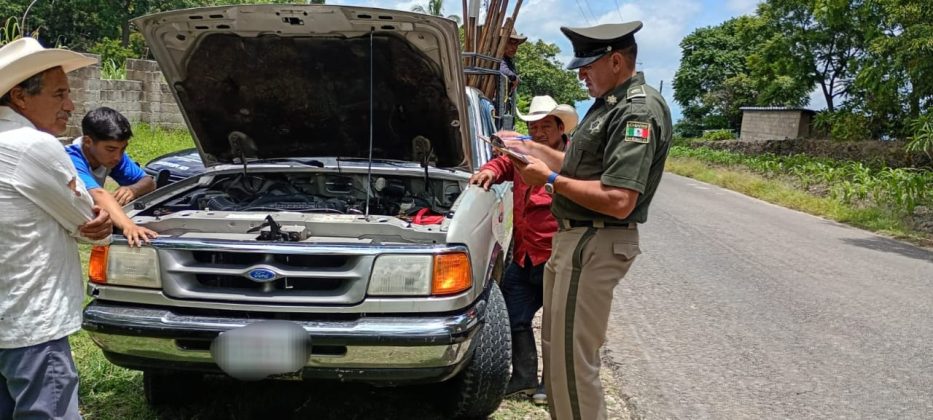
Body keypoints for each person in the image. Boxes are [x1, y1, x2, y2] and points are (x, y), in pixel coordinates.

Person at [500, 21, 672, 419]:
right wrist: (527, 149)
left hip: (594, 240)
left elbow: (619, 200)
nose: (581, 76)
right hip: (575, 240)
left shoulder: (636, 110)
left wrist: (549, 180)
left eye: (587, 66)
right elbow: (576, 166)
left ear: (616, 61)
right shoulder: (609, 104)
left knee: (574, 365)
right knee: (559, 358)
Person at [0, 37, 113, 419]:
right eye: (59, 94)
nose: (71, 105)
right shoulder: (34, 146)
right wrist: (95, 224)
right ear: (20, 96)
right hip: (32, 322)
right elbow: (88, 223)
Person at [469, 95, 578, 406]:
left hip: (557, 255)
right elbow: (503, 162)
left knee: (556, 325)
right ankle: (524, 376)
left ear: (561, 128)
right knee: (513, 315)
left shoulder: (574, 160)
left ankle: (550, 385)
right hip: (524, 253)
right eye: (533, 127)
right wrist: (490, 171)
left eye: (545, 126)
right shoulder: (522, 152)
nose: (538, 132)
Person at [65, 107, 157, 246]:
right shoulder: (70, 158)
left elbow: (149, 182)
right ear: (88, 142)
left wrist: (133, 189)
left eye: (123, 149)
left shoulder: (113, 156)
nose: (117, 157)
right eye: (111, 149)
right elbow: (97, 194)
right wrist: (129, 226)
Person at [498, 28, 526, 129]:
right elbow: (503, 70)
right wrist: (514, 78)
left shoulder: (509, 60)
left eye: (516, 44)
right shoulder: (497, 57)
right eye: (510, 43)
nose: (514, 47)